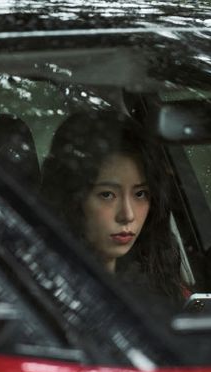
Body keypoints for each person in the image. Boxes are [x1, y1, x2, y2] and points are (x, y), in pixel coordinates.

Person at [40, 111, 186, 306]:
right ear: (72, 198)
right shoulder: (47, 292)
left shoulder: (155, 282)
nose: (127, 215)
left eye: (140, 194)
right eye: (107, 195)